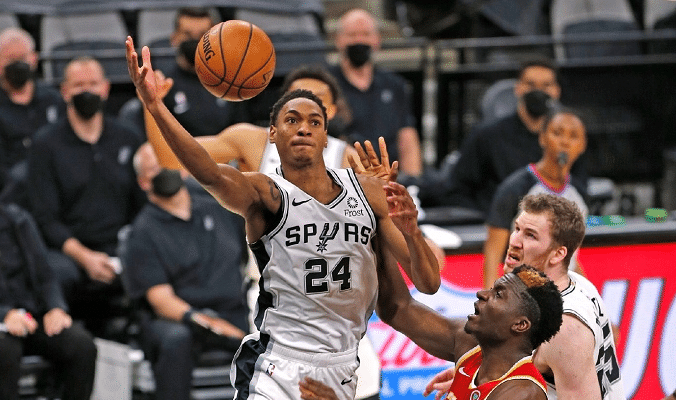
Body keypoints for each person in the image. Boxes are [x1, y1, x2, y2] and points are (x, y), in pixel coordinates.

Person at [126, 37, 440, 400]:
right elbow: (191, 166)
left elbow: (427, 275)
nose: (303, 125)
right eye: (293, 111)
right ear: (275, 124)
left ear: (328, 124)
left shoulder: (357, 171)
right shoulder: (259, 169)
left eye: (314, 115)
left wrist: (405, 225)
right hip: (278, 329)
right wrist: (154, 107)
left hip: (342, 340)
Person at [426, 194, 625, 400]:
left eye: (530, 235)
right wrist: (484, 375)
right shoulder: (576, 282)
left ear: (558, 254)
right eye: (517, 228)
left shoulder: (565, 329)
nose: (514, 241)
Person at [299, 264, 564, 400]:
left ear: (520, 324)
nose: (482, 294)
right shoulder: (471, 346)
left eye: (498, 295)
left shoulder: (522, 393)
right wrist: (379, 220)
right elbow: (399, 308)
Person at [26, 56, 145, 336]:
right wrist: (85, 257)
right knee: (57, 274)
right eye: (79, 85)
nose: (87, 91)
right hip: (68, 249)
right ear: (65, 91)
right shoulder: (45, 144)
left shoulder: (128, 137)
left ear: (105, 88)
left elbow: (141, 205)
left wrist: (128, 249)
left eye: (93, 84)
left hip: (120, 244)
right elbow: (45, 218)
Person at [120, 143, 249, 400]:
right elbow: (161, 301)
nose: (164, 171)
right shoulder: (142, 233)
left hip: (233, 311)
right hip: (181, 320)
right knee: (176, 340)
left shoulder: (219, 208)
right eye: (154, 169)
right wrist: (210, 324)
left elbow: (250, 258)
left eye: (168, 164)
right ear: (143, 182)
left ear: (184, 169)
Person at [145, 65, 358, 173]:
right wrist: (152, 104)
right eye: (299, 97)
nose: (306, 106)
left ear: (331, 111)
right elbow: (171, 158)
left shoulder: (349, 160)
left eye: (316, 100)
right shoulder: (252, 141)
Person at [445, 58, 586, 216]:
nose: (538, 91)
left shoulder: (569, 141)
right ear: (518, 88)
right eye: (531, 84)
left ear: (557, 91)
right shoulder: (486, 136)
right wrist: (490, 219)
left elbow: (580, 191)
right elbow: (456, 190)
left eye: (546, 85)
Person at [0, 202, 97, 400]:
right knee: (5, 351)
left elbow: (45, 273)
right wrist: (4, 314)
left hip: (32, 315)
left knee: (82, 346)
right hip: (3, 322)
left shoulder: (17, 219)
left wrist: (55, 307)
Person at [482, 108, 588, 288]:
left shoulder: (579, 192)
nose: (565, 142)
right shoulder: (515, 187)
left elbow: (570, 259)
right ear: (542, 138)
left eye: (573, 136)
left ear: (583, 145)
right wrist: (491, 298)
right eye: (557, 133)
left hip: (561, 292)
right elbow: (492, 256)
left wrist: (588, 294)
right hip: (522, 291)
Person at [329, 8, 423, 178]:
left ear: (377, 40)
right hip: (347, 177)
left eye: (365, 34)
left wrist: (412, 181)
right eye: (352, 35)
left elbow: (407, 137)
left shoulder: (394, 84)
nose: (359, 40)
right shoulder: (327, 85)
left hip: (392, 177)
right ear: (338, 40)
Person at [122, 7, 241, 138]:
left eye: (203, 35)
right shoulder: (163, 85)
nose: (196, 40)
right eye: (188, 35)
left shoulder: (230, 82)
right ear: (174, 39)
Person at [0, 27, 65, 205]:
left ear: (34, 59)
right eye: (10, 59)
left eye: (22, 58)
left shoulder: (53, 99)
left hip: (57, 184)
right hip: (12, 194)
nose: (17, 64)